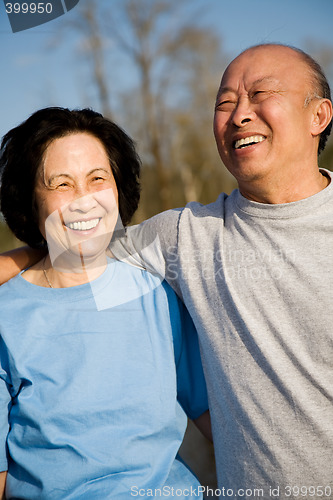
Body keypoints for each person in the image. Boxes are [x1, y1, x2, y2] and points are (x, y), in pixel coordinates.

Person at [1, 43, 333, 498]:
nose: (239, 115)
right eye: (225, 102)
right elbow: (79, 243)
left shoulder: (162, 274)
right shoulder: (184, 236)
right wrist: (22, 259)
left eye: (260, 94)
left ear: (320, 115)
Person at [0, 107, 211, 499]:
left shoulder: (158, 296)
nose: (84, 201)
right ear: (31, 199)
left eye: (98, 178)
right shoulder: (7, 317)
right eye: (61, 184)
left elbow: (215, 419)